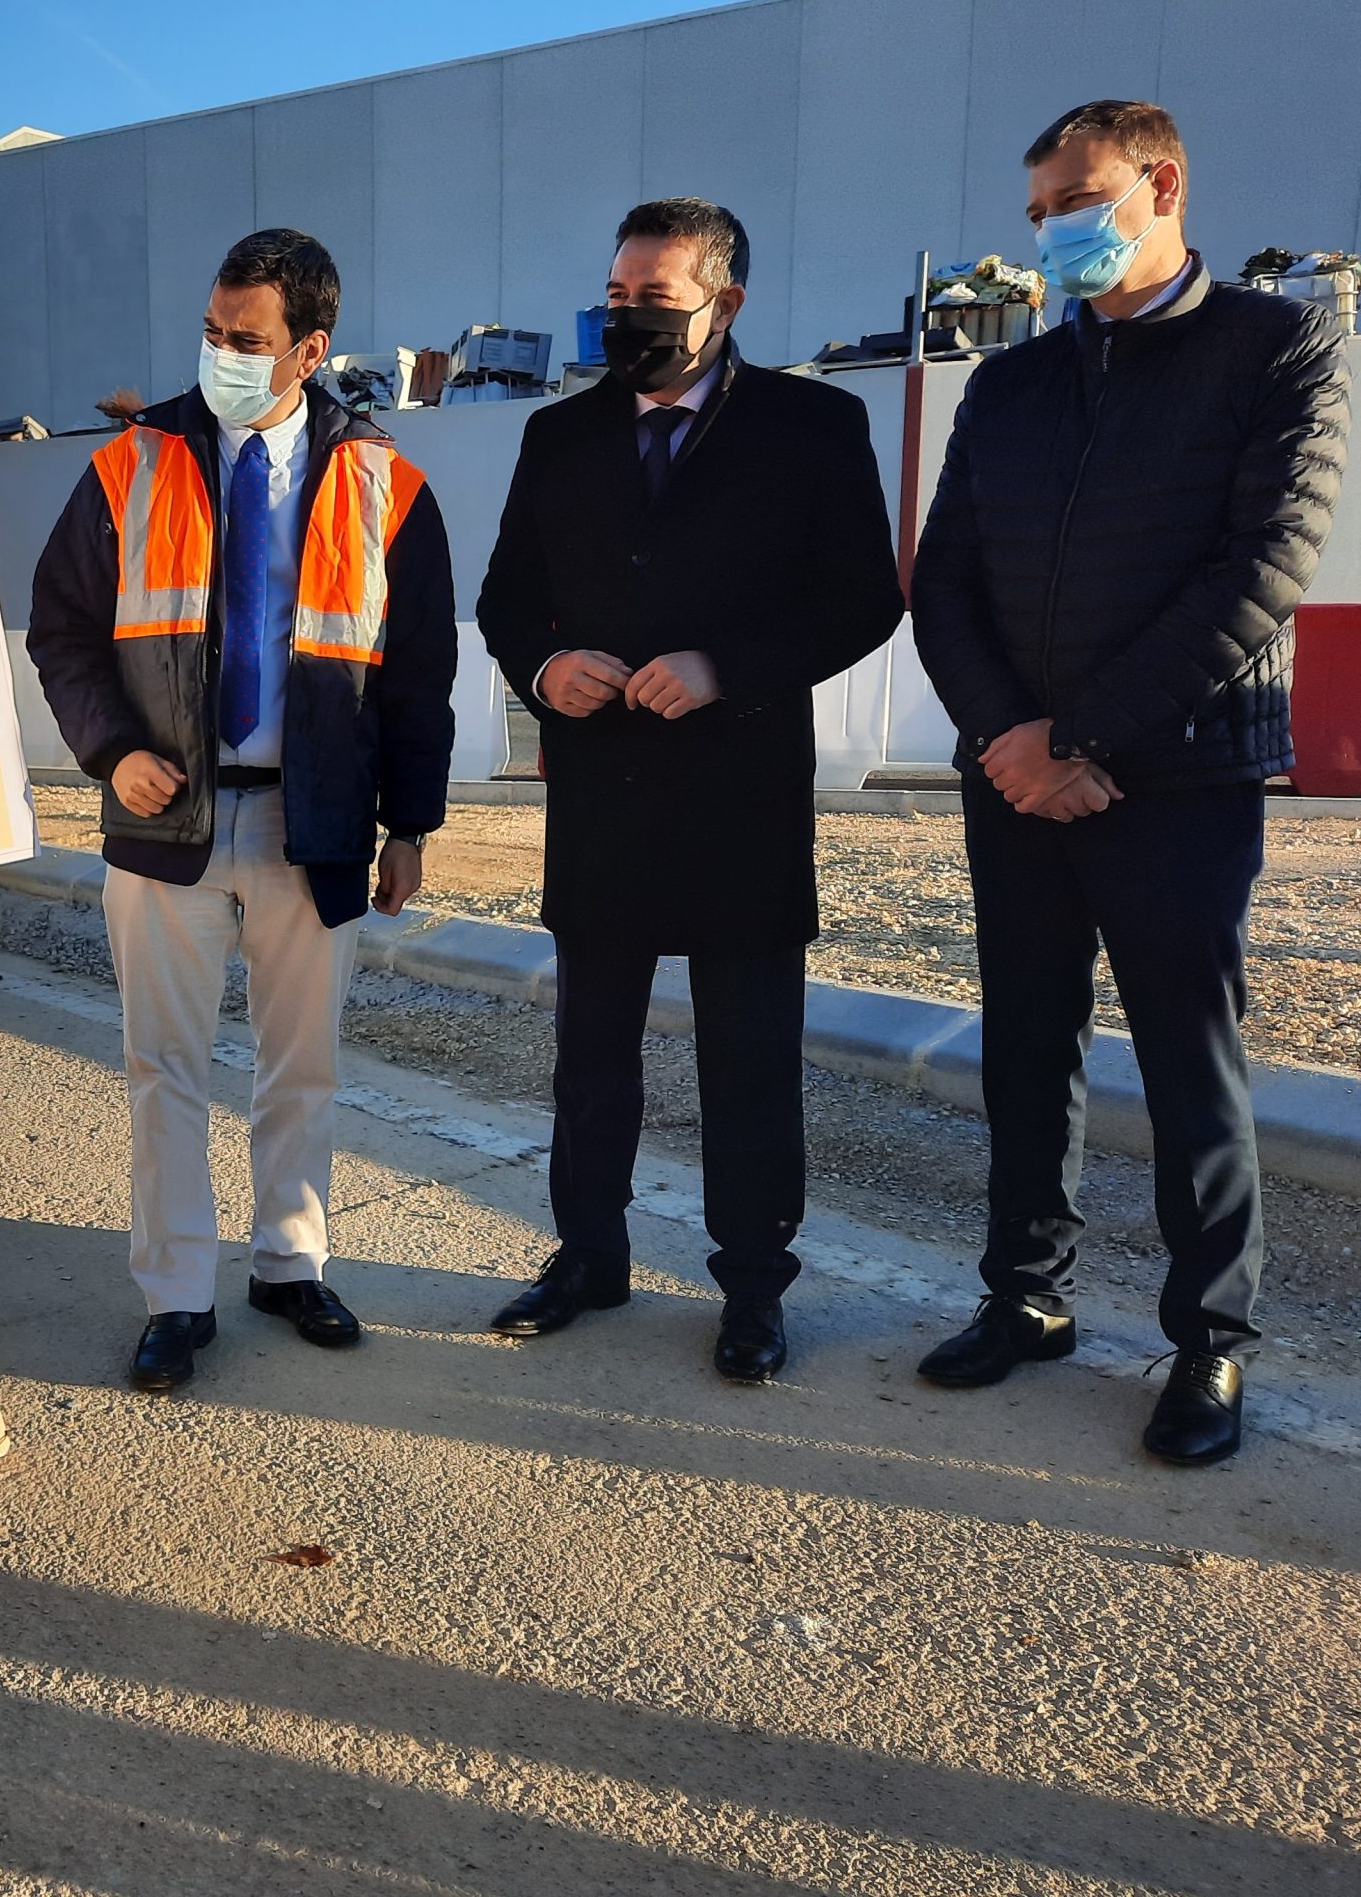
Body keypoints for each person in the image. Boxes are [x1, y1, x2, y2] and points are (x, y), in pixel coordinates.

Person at [910, 100, 1348, 1465]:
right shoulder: (1015, 382)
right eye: (1039, 209)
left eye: (1076, 200)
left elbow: (1262, 573)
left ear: (1160, 185)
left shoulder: (1277, 348)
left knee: (1185, 1064)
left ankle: (1209, 1342)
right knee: (1026, 1047)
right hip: (1016, 778)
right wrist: (1010, 741)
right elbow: (945, 588)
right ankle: (1024, 1300)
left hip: (1184, 779)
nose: (1052, 231)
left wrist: (1081, 738)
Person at [476, 198, 904, 1382]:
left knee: (748, 1063)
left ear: (727, 302)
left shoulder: (814, 426)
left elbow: (863, 598)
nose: (628, 320)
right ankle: (587, 1255)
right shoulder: (559, 439)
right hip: (602, 797)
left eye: (655, 301)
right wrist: (545, 665)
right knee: (592, 1056)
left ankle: (754, 1288)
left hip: (740, 797)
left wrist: (728, 668)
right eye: (615, 299)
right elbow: (511, 598)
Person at [27, 228, 456, 1393]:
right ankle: (174, 1293)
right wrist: (110, 753)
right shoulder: (133, 463)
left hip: (310, 821)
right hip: (160, 822)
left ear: (310, 349)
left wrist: (408, 823)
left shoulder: (386, 483)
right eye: (211, 332)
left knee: (299, 1062)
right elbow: (61, 631)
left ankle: (289, 1260)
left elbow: (416, 674)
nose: (220, 352)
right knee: (162, 1067)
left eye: (246, 340)